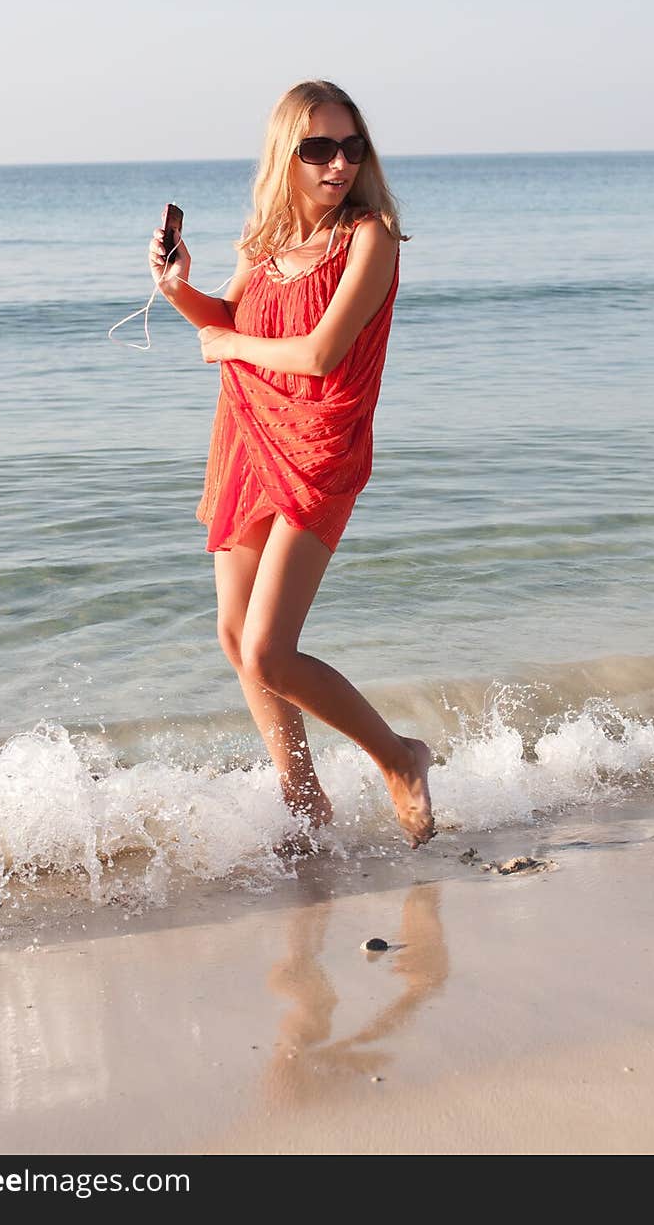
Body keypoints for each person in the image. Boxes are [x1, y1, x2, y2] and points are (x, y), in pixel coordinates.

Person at [148, 80, 435, 848]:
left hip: (321, 449)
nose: (338, 163)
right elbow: (224, 319)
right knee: (235, 635)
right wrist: (177, 288)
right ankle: (304, 802)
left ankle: (400, 758)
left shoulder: (368, 237)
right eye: (319, 148)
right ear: (287, 153)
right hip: (249, 435)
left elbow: (318, 354)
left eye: (352, 146)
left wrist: (232, 346)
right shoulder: (265, 239)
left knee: (271, 650)